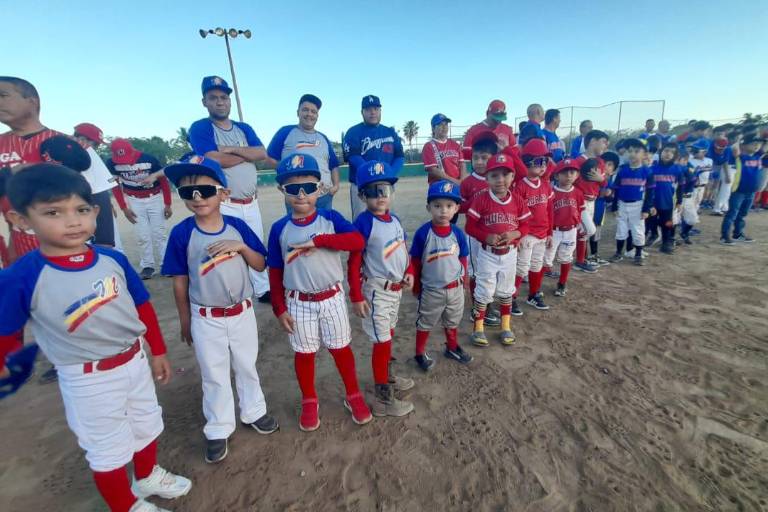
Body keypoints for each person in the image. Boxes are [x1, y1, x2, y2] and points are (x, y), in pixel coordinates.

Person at [0, 164, 191, 512]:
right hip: (88, 376)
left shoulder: (112, 258)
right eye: (53, 212)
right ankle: (125, 505)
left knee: (147, 422)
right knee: (107, 446)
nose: (72, 221)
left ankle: (146, 475)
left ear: (96, 212)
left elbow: (142, 306)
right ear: (20, 219)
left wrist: (158, 350)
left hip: (133, 359)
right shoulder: (23, 275)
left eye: (81, 210)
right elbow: (7, 330)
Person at [161, 155, 278, 464]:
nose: (198, 197)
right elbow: (179, 281)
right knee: (213, 373)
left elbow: (261, 262)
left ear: (224, 193)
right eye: (188, 192)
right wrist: (185, 320)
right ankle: (218, 427)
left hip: (241, 311)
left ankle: (253, 411)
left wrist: (239, 247)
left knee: (245, 364)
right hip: (205, 317)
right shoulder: (182, 233)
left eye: (206, 190)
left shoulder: (238, 226)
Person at [267, 153, 372, 431]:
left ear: (320, 188)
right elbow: (275, 271)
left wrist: (320, 240)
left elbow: (357, 240)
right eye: (292, 188)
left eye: (309, 187)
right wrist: (279, 307)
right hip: (298, 301)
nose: (301, 194)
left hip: (331, 297)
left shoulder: (330, 217)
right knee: (305, 352)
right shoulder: (279, 228)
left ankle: (353, 395)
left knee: (341, 349)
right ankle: (309, 400)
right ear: (282, 191)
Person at [188, 75, 270, 303]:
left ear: (229, 101)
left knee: (255, 245)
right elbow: (214, 159)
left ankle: (263, 289)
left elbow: (261, 153)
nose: (219, 102)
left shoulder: (243, 127)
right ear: (204, 101)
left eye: (224, 97)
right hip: (224, 203)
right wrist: (245, 156)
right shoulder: (201, 127)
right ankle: (234, 292)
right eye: (213, 98)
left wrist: (229, 149)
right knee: (228, 250)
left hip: (250, 202)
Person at [348, 160, 414, 417]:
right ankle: (383, 398)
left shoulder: (394, 219)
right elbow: (354, 264)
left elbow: (403, 251)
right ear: (362, 195)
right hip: (376, 290)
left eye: (384, 189)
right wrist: (355, 296)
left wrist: (409, 272)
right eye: (373, 191)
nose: (380, 196)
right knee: (382, 341)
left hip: (395, 289)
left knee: (388, 334)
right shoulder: (363, 223)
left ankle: (385, 375)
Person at [465, 153, 530, 347]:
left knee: (506, 290)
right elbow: (470, 227)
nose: (500, 180)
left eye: (505, 174)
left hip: (510, 253)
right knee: (484, 290)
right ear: (487, 178)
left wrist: (515, 234)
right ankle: (478, 329)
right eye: (494, 175)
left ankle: (506, 327)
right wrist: (486, 236)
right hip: (487, 253)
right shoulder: (481, 199)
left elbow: (526, 225)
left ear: (512, 177)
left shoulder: (517, 200)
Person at [409, 180, 472, 370]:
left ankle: (452, 347)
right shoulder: (423, 233)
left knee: (453, 319)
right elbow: (416, 261)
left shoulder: (458, 233)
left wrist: (465, 280)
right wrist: (416, 286)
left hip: (455, 288)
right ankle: (420, 353)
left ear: (457, 209)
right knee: (426, 321)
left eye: (449, 206)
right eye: (437, 206)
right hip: (432, 289)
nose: (443, 211)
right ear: (429, 207)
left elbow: (462, 258)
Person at [0, 76, 62, 263]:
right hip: (18, 238)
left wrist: (105, 243)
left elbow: (99, 193)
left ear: (32, 101)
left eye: (3, 95)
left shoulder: (69, 143)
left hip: (66, 238)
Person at [107, 139, 171, 279]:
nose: (125, 162)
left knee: (159, 233)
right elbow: (115, 186)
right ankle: (147, 265)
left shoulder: (149, 159)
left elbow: (163, 181)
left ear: (133, 151)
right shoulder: (112, 163)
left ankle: (166, 264)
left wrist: (167, 204)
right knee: (142, 235)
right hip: (134, 200)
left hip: (154, 198)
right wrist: (124, 208)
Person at [266, 94, 340, 211]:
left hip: (324, 197)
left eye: (313, 111)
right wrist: (288, 171)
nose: (309, 114)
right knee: (298, 229)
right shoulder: (286, 132)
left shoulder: (323, 138)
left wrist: (335, 186)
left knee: (326, 229)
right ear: (298, 112)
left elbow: (333, 165)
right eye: (305, 110)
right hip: (297, 197)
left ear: (317, 115)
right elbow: (269, 157)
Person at [458, 132, 500, 327]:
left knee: (491, 271)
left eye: (485, 157)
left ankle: (487, 303)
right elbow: (460, 207)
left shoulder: (499, 179)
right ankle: (478, 308)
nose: (480, 162)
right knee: (476, 272)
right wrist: (476, 202)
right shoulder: (467, 183)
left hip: (494, 234)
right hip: (474, 234)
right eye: (476, 158)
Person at [343, 95, 404, 219]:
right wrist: (374, 173)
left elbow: (399, 156)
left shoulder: (390, 132)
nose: (372, 112)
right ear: (362, 112)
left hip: (386, 186)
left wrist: (389, 173)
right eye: (368, 109)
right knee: (361, 222)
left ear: (380, 111)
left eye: (376, 109)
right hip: (362, 186)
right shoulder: (353, 132)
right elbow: (353, 157)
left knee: (385, 220)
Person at [513, 139, 553, 313]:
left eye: (545, 161)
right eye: (538, 162)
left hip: (543, 233)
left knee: (537, 265)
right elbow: (514, 212)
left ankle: (533, 294)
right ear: (526, 163)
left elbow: (550, 210)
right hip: (527, 233)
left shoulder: (545, 185)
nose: (543, 165)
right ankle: (511, 297)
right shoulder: (520, 186)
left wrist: (550, 232)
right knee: (521, 266)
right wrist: (518, 235)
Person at [73, 123, 120, 248]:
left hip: (94, 202)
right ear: (82, 139)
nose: (96, 148)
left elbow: (100, 188)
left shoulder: (83, 153)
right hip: (93, 204)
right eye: (96, 144)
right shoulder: (85, 152)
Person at [610, 138, 655, 265]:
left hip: (638, 205)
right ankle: (618, 252)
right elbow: (617, 190)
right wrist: (614, 206)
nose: (633, 154)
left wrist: (646, 209)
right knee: (621, 229)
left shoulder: (647, 171)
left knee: (638, 230)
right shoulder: (623, 170)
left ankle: (638, 254)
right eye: (630, 151)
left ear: (644, 155)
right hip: (622, 204)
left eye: (637, 151)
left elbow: (650, 193)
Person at [544, 159, 585, 298]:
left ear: (577, 175)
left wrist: (580, 224)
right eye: (564, 173)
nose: (568, 176)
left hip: (571, 230)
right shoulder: (551, 192)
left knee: (566, 257)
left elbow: (580, 211)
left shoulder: (578, 193)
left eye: (572, 172)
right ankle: (535, 284)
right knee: (546, 258)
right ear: (556, 176)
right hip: (554, 230)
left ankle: (562, 283)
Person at [573, 130, 609, 272]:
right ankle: (577, 258)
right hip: (580, 202)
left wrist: (601, 180)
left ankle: (580, 260)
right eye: (604, 142)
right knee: (589, 230)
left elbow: (603, 183)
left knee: (584, 231)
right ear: (593, 141)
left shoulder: (600, 162)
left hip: (592, 201)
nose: (605, 146)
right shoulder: (579, 160)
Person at [721, 133, 765, 244]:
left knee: (742, 214)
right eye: (753, 144)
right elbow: (734, 148)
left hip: (751, 191)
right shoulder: (740, 157)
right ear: (744, 146)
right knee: (732, 213)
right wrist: (740, 139)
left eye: (758, 144)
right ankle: (724, 236)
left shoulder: (757, 157)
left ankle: (738, 234)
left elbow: (764, 148)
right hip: (739, 191)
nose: (756, 146)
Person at [461, 100, 519, 175]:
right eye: (494, 119)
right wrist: (470, 176)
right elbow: (467, 158)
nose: (498, 122)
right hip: (481, 174)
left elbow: (516, 153)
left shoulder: (507, 129)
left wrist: (506, 150)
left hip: (502, 172)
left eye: (500, 119)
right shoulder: (473, 130)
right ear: (488, 114)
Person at [646, 143, 683, 254]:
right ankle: (654, 234)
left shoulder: (677, 170)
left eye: (672, 152)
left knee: (667, 223)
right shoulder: (652, 168)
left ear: (675, 155)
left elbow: (681, 186)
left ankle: (666, 242)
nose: (668, 154)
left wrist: (680, 201)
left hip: (667, 202)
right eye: (666, 150)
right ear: (661, 152)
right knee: (650, 221)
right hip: (652, 202)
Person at [587, 151, 618, 266]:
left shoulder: (609, 181)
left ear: (613, 170)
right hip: (589, 209)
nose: (605, 166)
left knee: (596, 233)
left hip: (600, 211)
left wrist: (609, 194)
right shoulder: (592, 177)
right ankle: (584, 257)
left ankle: (594, 255)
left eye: (610, 165)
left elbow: (609, 198)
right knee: (585, 232)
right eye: (604, 163)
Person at [422, 113, 463, 185]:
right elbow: (434, 170)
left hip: (458, 185)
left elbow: (462, 165)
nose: (444, 127)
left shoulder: (455, 145)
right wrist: (455, 182)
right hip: (440, 187)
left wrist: (462, 181)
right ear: (433, 128)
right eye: (440, 125)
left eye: (446, 124)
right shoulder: (429, 146)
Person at [687, 139, 713, 215]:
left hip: (702, 186)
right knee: (689, 204)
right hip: (692, 187)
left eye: (696, 150)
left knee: (697, 203)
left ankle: (691, 220)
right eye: (693, 149)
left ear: (705, 152)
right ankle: (686, 219)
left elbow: (709, 171)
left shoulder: (709, 160)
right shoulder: (689, 160)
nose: (693, 151)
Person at [710, 138, 734, 215]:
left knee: (725, 189)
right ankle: (717, 208)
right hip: (722, 167)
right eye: (718, 148)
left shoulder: (728, 149)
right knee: (725, 190)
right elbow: (725, 163)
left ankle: (724, 207)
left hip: (723, 167)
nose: (719, 150)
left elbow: (724, 161)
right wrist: (727, 175)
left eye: (721, 149)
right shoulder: (712, 146)